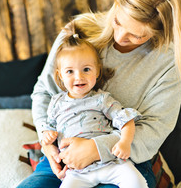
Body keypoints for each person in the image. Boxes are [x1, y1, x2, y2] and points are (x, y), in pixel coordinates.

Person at [17, 0, 181, 188]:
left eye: (136, 36)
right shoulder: (78, 32)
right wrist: (48, 145)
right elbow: (44, 92)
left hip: (124, 161)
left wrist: (95, 148)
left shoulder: (168, 62)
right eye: (118, 22)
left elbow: (154, 129)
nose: (120, 37)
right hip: (66, 159)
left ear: (159, 32)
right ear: (116, 2)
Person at [41, 29, 148, 188]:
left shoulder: (102, 99)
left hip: (110, 162)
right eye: (70, 71)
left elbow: (125, 120)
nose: (79, 77)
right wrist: (48, 137)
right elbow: (47, 128)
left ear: (97, 71)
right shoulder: (56, 103)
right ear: (60, 75)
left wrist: (125, 142)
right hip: (77, 170)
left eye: (86, 69)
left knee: (136, 181)